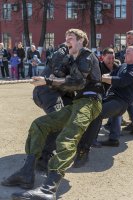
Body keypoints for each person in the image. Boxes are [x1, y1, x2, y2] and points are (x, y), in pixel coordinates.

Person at [1, 28, 103, 200]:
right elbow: (58, 73)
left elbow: (77, 82)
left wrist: (48, 81)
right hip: (78, 102)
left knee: (67, 137)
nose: (67, 41)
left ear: (81, 41)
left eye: (70, 38)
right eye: (66, 38)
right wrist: (55, 65)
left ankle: (49, 189)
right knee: (39, 125)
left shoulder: (86, 55)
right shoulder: (71, 59)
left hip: (91, 101)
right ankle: (27, 173)